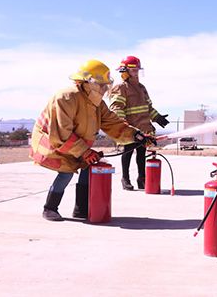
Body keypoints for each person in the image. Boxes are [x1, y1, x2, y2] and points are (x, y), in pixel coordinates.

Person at [30, 59, 156, 221]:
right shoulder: (66, 98)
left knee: (87, 167)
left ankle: (81, 209)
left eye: (106, 85)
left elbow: (113, 122)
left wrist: (136, 135)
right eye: (101, 85)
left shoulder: (96, 103)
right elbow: (61, 133)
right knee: (66, 172)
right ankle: (50, 208)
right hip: (54, 141)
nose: (105, 89)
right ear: (87, 82)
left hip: (77, 143)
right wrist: (85, 151)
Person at [109, 55, 169, 190]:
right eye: (134, 70)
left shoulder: (141, 88)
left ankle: (142, 179)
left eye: (137, 70)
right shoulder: (121, 88)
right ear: (125, 71)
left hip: (143, 128)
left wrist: (157, 117)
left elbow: (147, 108)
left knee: (141, 154)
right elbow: (117, 108)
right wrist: (123, 126)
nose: (136, 73)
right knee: (127, 152)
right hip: (130, 128)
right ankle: (125, 179)